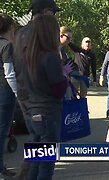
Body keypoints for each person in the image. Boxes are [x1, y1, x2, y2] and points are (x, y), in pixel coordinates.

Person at [12, 0, 62, 179]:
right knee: (45, 155)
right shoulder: (42, 35)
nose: (54, 17)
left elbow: (16, 66)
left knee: (35, 146)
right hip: (44, 99)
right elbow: (56, 82)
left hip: (27, 96)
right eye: (53, 13)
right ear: (46, 11)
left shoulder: (20, 34)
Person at [25, 14, 68, 180]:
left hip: (32, 111)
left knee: (35, 161)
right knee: (46, 164)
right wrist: (65, 77)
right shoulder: (50, 57)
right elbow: (59, 90)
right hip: (47, 113)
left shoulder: (29, 55)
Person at [0, 14, 17, 179]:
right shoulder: (7, 46)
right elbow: (10, 74)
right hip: (5, 91)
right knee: (2, 130)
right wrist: (18, 93)